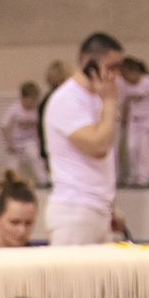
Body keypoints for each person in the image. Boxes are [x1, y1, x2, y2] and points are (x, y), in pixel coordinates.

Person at [43, 33, 124, 245]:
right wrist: (110, 102)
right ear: (88, 63)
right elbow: (98, 146)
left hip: (98, 208)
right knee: (70, 279)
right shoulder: (67, 99)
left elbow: (100, 165)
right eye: (112, 67)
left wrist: (111, 206)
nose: (117, 75)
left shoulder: (98, 98)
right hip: (74, 211)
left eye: (119, 67)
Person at [118, 56, 149, 186]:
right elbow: (124, 101)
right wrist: (123, 117)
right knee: (132, 147)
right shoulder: (124, 84)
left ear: (134, 71)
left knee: (145, 149)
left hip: (148, 120)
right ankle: (133, 176)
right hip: (133, 120)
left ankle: (144, 178)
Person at [0, 81, 46, 186]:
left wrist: (40, 142)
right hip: (15, 141)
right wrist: (9, 143)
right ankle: (10, 184)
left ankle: (44, 181)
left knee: (36, 156)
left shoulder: (38, 110)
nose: (34, 103)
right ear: (23, 98)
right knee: (12, 165)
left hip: (30, 141)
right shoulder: (14, 109)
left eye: (36, 100)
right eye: (31, 100)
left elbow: (42, 128)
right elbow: (4, 126)